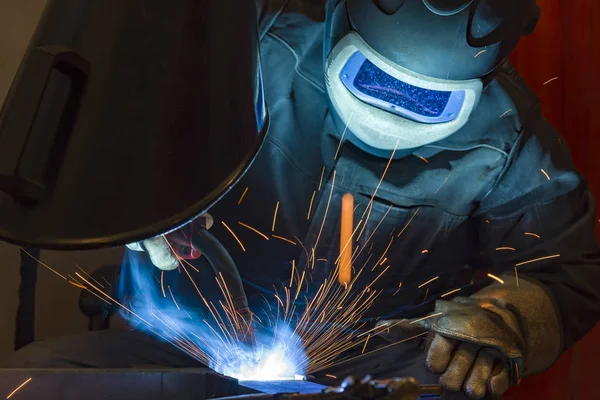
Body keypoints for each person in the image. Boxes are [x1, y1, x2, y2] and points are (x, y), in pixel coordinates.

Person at [5, 1, 600, 399]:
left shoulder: (510, 139)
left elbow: (570, 272)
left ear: (484, 81)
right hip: (186, 345)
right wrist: (143, 204)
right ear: (342, 24)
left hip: (383, 375)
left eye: (426, 101)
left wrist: (512, 319)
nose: (390, 113)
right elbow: (121, 129)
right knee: (39, 374)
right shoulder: (256, 52)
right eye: (374, 79)